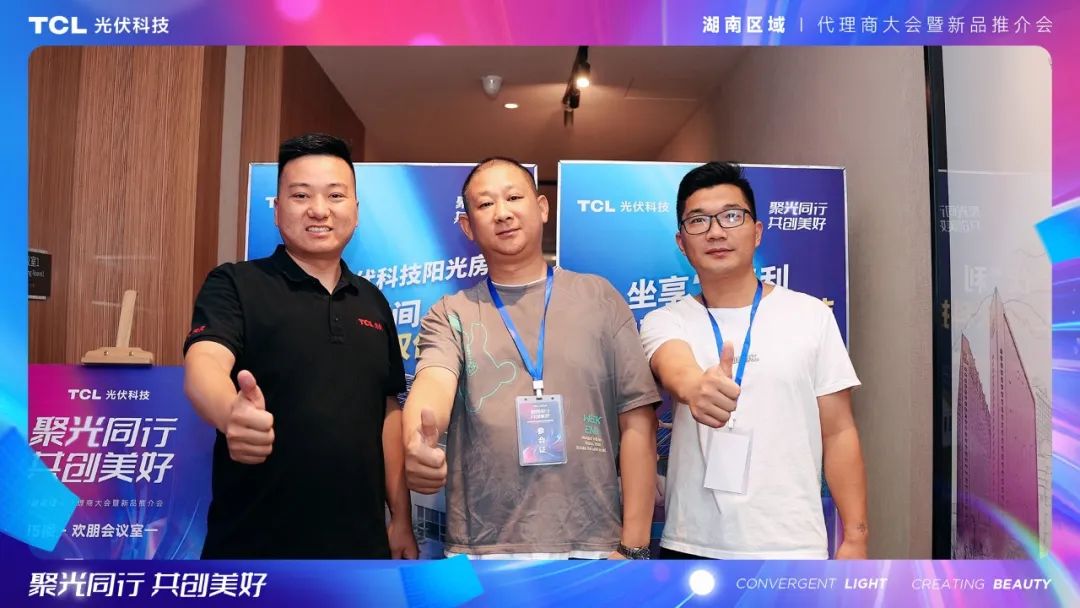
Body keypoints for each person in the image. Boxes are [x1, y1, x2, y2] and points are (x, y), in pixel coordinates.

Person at [402, 157, 659, 559]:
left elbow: (637, 418)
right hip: (482, 550)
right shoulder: (452, 313)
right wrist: (417, 439)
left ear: (542, 208)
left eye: (513, 197)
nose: (502, 213)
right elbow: (433, 379)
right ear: (468, 227)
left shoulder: (599, 298)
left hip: (594, 548)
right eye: (485, 204)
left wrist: (634, 546)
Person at [182, 133, 416, 559]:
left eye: (335, 195)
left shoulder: (373, 301)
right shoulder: (235, 284)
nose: (319, 210)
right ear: (276, 209)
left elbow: (388, 413)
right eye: (301, 195)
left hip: (361, 552)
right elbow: (204, 364)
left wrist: (401, 518)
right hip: (253, 553)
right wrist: (230, 413)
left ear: (356, 210)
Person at [640, 161, 868, 560]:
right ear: (681, 242)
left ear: (757, 231)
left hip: (792, 546)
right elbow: (676, 367)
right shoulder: (665, 320)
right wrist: (697, 388)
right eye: (698, 221)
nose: (716, 231)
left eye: (732, 216)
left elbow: (838, 431)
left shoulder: (811, 315)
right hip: (692, 544)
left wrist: (856, 536)